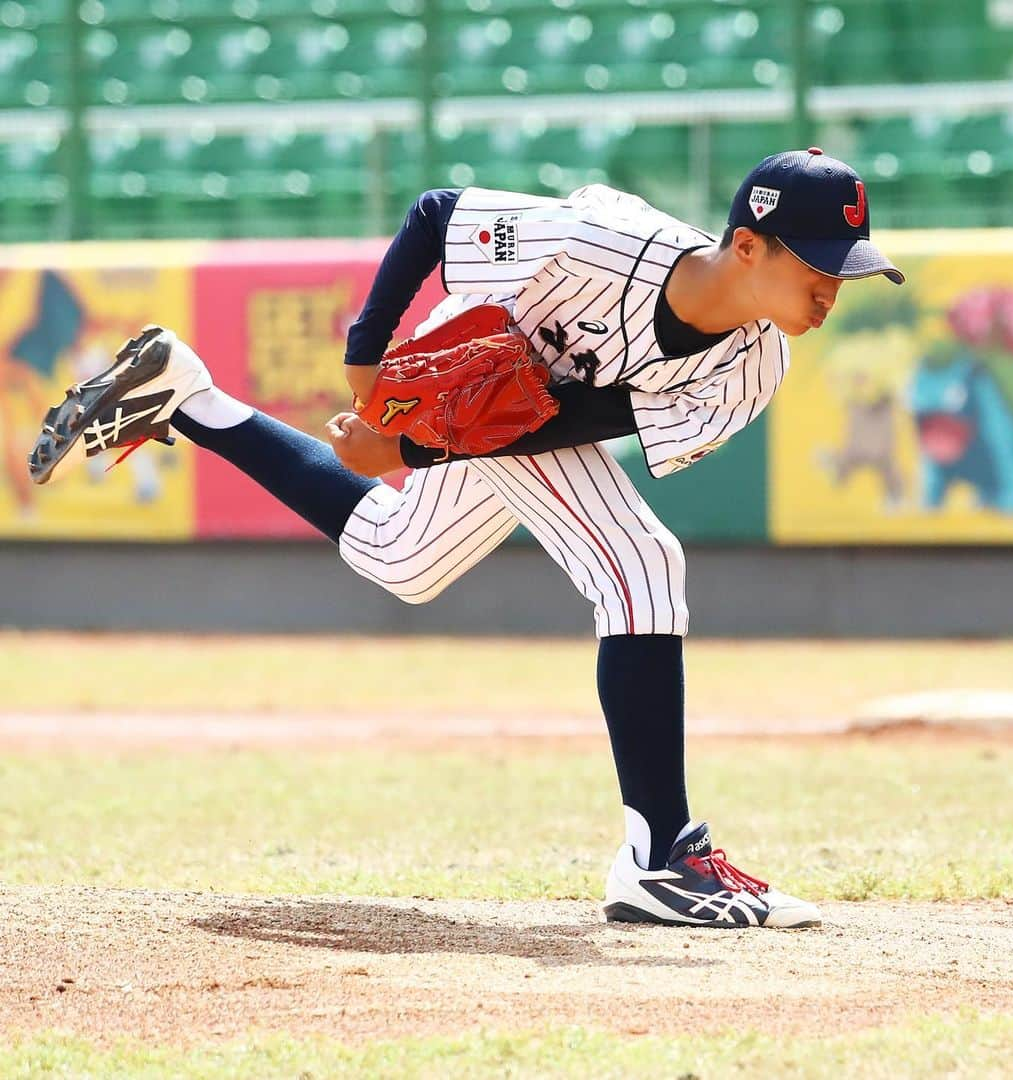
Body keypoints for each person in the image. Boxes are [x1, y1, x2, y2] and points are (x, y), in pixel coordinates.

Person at [29, 149, 903, 929]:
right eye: (820, 264)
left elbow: (581, 418)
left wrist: (408, 450)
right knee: (642, 564)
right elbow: (435, 215)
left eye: (846, 269)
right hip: (471, 360)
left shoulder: (755, 364)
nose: (833, 287)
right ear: (747, 246)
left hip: (520, 412)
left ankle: (190, 397)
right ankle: (660, 852)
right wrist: (368, 364)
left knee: (402, 555)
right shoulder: (597, 238)